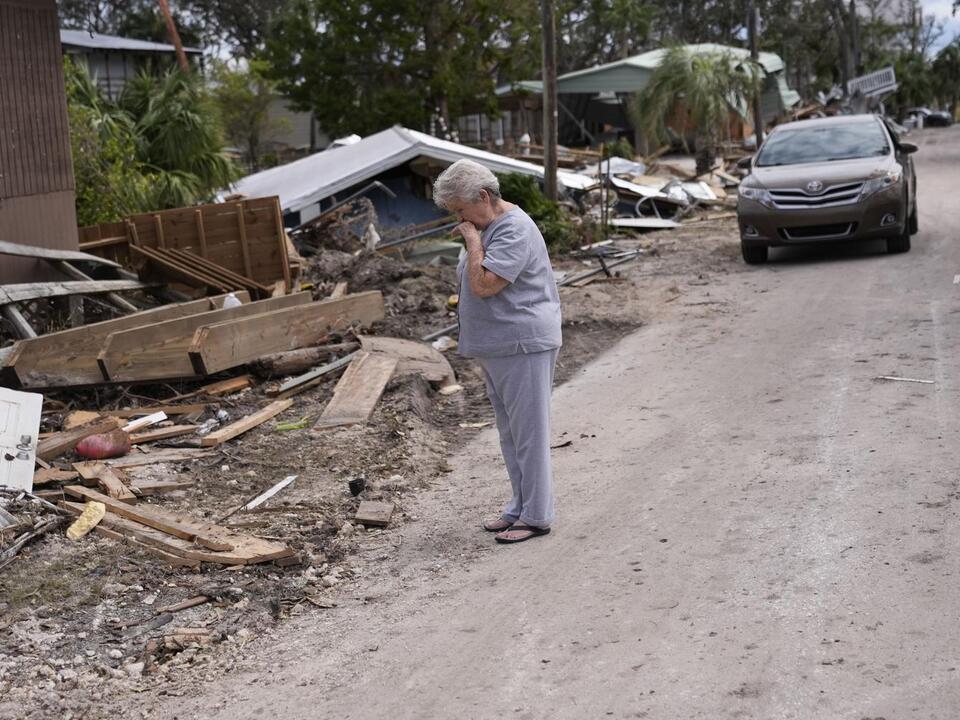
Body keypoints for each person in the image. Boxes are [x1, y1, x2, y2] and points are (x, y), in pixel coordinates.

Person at [432, 159, 562, 544]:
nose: (459, 219)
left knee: (529, 433)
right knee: (511, 433)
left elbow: (486, 284)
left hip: (522, 343)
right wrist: (474, 238)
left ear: (484, 197)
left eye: (460, 209)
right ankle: (520, 505)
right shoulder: (488, 226)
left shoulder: (513, 229)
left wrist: (472, 242)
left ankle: (537, 515)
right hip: (500, 346)